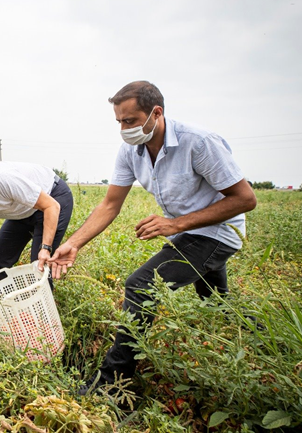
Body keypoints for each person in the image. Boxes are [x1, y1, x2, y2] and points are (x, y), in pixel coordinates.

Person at [48, 81, 257, 394]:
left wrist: (175, 225)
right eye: (119, 122)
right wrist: (73, 243)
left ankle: (111, 389)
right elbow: (109, 204)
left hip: (217, 232)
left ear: (156, 113)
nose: (124, 128)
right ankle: (266, 339)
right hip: (188, 233)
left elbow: (245, 199)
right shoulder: (131, 151)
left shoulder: (198, 143)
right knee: (217, 303)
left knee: (140, 284)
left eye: (130, 121)